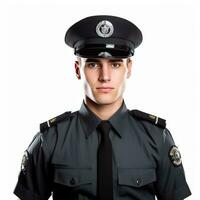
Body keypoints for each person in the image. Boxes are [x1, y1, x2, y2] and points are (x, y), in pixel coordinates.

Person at [13, 15, 191, 200]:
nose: (104, 76)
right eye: (92, 64)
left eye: (115, 64)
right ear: (77, 69)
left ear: (128, 68)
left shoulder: (156, 138)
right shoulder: (50, 140)